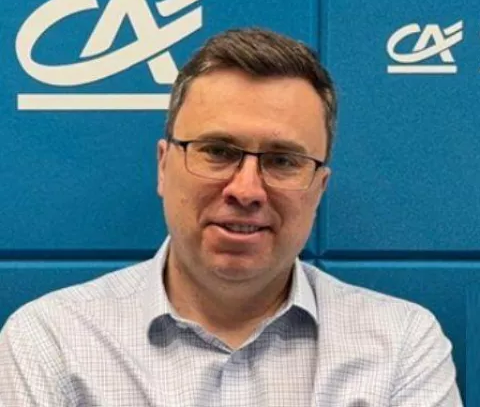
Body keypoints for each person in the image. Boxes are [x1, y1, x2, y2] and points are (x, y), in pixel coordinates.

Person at [0, 28, 462, 406]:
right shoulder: (52, 340)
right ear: (163, 166)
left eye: (283, 161)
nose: (246, 190)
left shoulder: (401, 345)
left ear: (319, 188)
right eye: (218, 151)